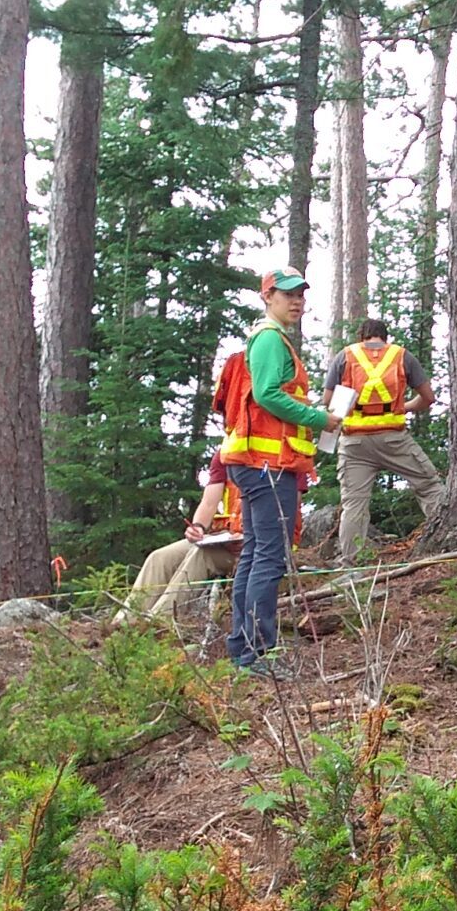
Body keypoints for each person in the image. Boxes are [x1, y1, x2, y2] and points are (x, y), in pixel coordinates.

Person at [219, 268, 336, 671]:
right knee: (269, 557)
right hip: (268, 466)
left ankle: (242, 648)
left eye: (301, 294)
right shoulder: (270, 340)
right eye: (287, 295)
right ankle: (256, 653)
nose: (297, 301)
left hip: (256, 465)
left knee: (255, 554)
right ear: (267, 296)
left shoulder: (266, 338)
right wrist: (319, 418)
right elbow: (268, 395)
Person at [323, 317, 446, 565]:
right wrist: (402, 408)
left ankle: (351, 565)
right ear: (384, 337)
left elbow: (328, 401)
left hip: (355, 442)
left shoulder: (345, 356)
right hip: (393, 439)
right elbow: (428, 398)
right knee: (429, 485)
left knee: (354, 504)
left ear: (361, 337)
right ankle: (448, 541)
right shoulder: (401, 356)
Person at [115, 457, 242, 626]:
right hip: (228, 539)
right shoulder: (226, 453)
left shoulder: (274, 454)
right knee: (159, 558)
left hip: (263, 548)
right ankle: (123, 624)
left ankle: (158, 623)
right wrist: (198, 528)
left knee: (203, 554)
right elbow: (209, 503)